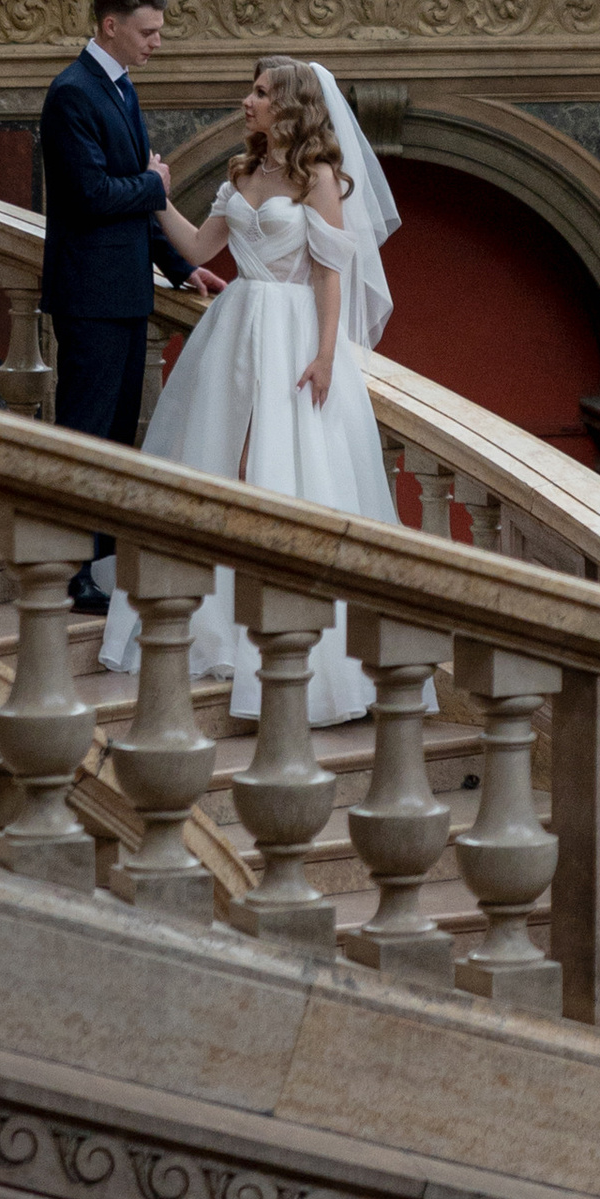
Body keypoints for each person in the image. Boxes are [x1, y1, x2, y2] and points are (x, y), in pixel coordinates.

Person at [99, 55, 402, 725]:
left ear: (288, 105)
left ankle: (308, 657)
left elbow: (330, 276)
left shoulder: (320, 178)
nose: (247, 101)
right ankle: (214, 623)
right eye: (252, 90)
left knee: (289, 476)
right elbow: (202, 249)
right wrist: (157, 193)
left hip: (294, 335)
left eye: (261, 93)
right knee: (214, 464)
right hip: (234, 332)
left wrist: (326, 354)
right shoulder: (242, 173)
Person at [38, 0, 219, 612]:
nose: (157, 43)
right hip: (89, 295)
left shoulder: (121, 89)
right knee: (84, 435)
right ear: (110, 26)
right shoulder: (72, 94)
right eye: (148, 31)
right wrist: (156, 183)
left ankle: (103, 563)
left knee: (116, 437)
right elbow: (89, 198)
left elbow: (135, 207)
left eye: (160, 32)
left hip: (124, 292)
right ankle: (66, 569)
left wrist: (179, 267)